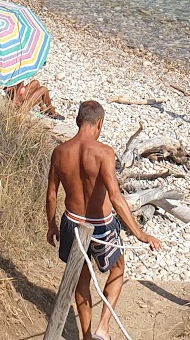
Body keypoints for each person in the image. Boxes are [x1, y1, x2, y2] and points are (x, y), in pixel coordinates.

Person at [46, 101, 162, 340]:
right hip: (101, 225)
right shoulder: (103, 152)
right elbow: (115, 196)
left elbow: (51, 194)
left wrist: (51, 224)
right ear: (99, 123)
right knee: (118, 268)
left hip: (72, 223)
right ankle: (103, 328)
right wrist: (140, 233)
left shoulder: (60, 152)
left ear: (78, 121)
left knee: (81, 280)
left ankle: (86, 336)